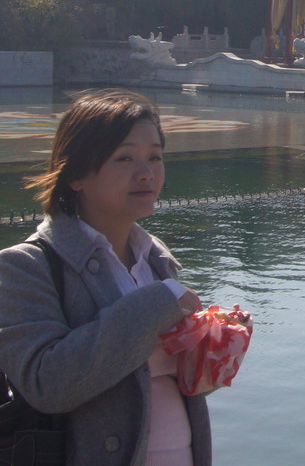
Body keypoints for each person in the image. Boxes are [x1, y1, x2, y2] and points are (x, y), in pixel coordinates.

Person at [0, 89, 211, 466]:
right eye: (125, 158)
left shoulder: (156, 258)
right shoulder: (25, 267)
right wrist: (155, 306)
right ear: (76, 174)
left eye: (155, 157)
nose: (146, 172)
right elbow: (47, 384)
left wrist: (213, 346)